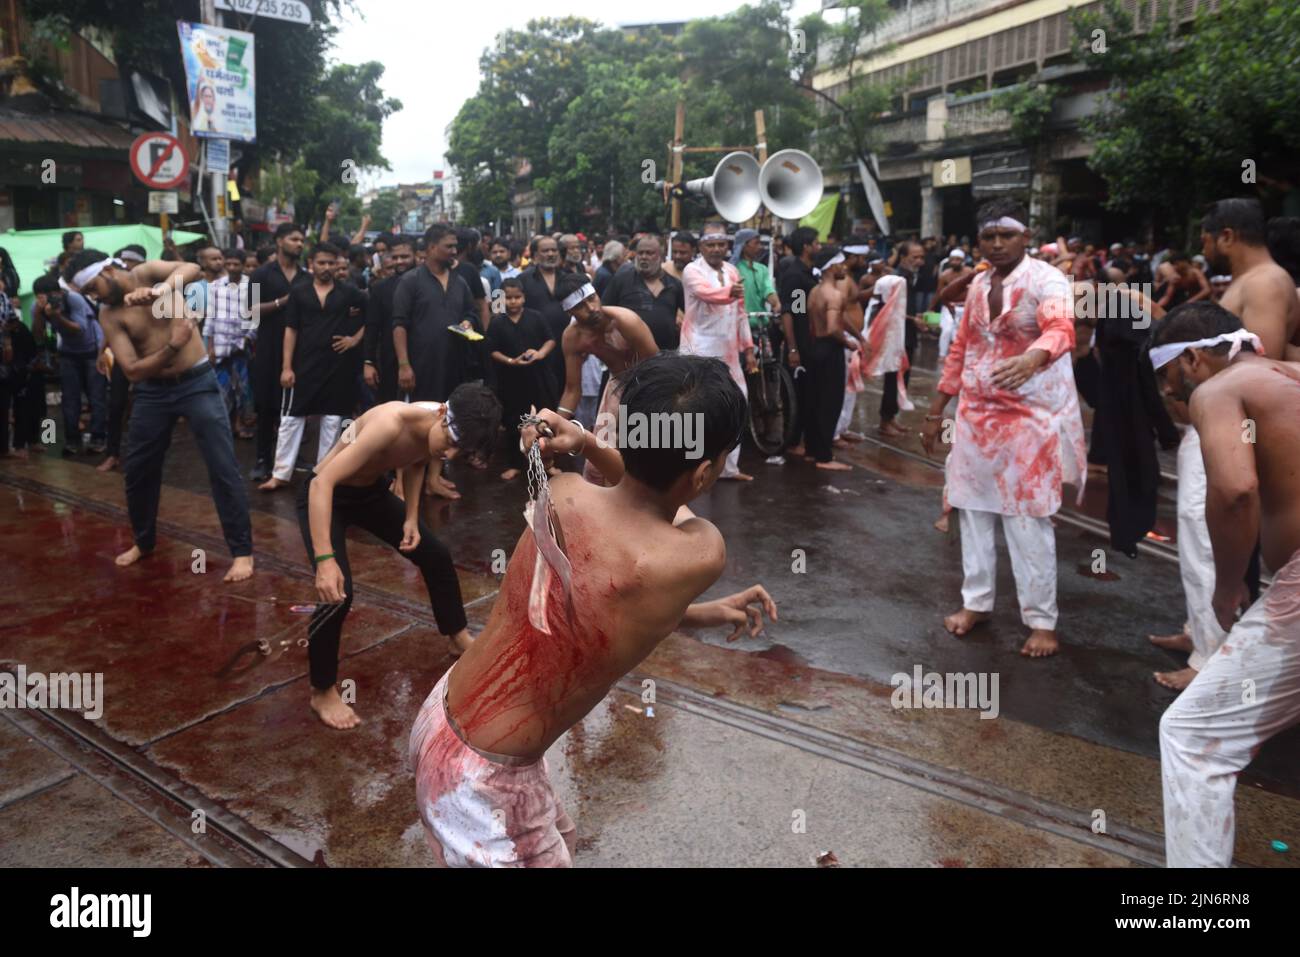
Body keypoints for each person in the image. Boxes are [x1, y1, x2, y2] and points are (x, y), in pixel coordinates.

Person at [410, 353, 777, 866]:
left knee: (565, 839)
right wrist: (596, 446)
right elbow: (653, 533)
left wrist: (586, 442)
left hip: (444, 716)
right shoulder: (700, 550)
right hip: (486, 781)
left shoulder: (562, 494)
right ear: (705, 471)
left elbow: (599, 600)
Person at [1151, 302, 1300, 867]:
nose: (1174, 399)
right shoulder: (1290, 375)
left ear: (1191, 359)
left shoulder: (1219, 391)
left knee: (1192, 738)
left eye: (1170, 384)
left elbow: (1236, 490)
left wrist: (1227, 584)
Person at [920, 199, 1085, 658]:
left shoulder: (1046, 280)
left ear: (1026, 236)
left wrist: (1034, 357)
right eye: (989, 237)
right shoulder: (977, 285)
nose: (997, 244)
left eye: (1006, 235)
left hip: (1031, 417)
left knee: (1026, 519)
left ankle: (1042, 622)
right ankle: (977, 603)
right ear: (979, 241)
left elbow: (1062, 328)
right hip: (976, 415)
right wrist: (937, 410)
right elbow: (962, 350)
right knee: (972, 509)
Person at [302, 386, 501, 729]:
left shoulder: (437, 429)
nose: (450, 454)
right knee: (338, 591)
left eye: (459, 450)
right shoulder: (389, 423)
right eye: (450, 442)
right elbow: (321, 483)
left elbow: (417, 462)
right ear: (442, 414)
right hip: (327, 493)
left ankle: (456, 635)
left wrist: (411, 517)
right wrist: (325, 560)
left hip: (369, 493)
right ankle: (322, 690)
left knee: (436, 555)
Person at [65, 250, 253, 582]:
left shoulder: (148, 273)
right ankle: (143, 542)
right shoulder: (110, 314)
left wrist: (161, 290)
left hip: (197, 382)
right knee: (138, 469)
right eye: (89, 293)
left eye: (95, 287)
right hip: (153, 391)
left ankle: (242, 553)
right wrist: (173, 345)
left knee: (222, 466)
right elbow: (134, 371)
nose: (95, 296)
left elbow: (192, 268)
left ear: (108, 270)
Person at [260, 243, 368, 492]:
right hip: (303, 365)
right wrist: (286, 367)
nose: (326, 267)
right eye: (321, 263)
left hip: (337, 366)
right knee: (291, 419)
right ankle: (280, 474)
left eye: (331, 263)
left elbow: (371, 317)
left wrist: (354, 340)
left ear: (337, 264)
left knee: (332, 421)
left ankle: (322, 473)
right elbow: (291, 330)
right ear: (312, 264)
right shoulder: (299, 292)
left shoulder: (349, 292)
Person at [553, 272, 658, 485]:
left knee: (647, 460)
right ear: (570, 311)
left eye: (592, 299)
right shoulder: (573, 337)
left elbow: (657, 367)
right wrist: (555, 425)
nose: (592, 308)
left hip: (651, 387)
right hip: (617, 388)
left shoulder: (625, 320)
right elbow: (572, 390)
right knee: (600, 461)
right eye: (581, 306)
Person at [680, 228, 756, 480]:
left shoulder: (733, 272)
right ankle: (693, 466)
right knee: (698, 407)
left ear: (727, 247)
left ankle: (729, 468)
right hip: (698, 348)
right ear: (701, 247)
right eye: (710, 245)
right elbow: (705, 294)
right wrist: (728, 293)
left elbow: (741, 313)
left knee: (738, 402)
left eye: (721, 244)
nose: (716, 249)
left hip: (729, 350)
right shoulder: (693, 270)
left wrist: (749, 349)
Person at [1202, 198, 1300, 362]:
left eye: (1204, 242)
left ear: (1227, 237)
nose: (1203, 251)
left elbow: (1261, 364)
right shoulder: (1252, 280)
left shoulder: (1263, 283)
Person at [248, 223, 310, 483]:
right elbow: (249, 310)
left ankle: (294, 457)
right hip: (268, 347)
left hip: (299, 350)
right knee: (266, 406)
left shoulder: (307, 277)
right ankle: (263, 459)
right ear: (279, 241)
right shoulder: (261, 274)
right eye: (294, 239)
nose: (299, 244)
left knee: (297, 406)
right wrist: (281, 303)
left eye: (301, 240)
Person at [392, 224, 478, 405]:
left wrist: (467, 322)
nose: (454, 251)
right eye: (449, 246)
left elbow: (470, 312)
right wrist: (404, 365)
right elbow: (399, 325)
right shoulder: (410, 281)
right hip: (421, 366)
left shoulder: (460, 282)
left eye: (455, 246)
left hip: (455, 366)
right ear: (431, 247)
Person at [486, 277, 558, 480]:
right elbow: (491, 350)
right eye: (508, 298)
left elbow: (551, 340)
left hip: (539, 377)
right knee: (513, 423)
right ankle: (516, 464)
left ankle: (548, 462)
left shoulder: (536, 317)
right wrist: (511, 361)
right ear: (502, 299)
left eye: (517, 297)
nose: (513, 302)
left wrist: (540, 354)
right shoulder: (497, 322)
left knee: (545, 421)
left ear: (524, 297)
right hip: (511, 380)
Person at [803, 247, 856, 471]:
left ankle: (812, 450)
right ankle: (824, 457)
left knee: (815, 401)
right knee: (830, 403)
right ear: (832, 267)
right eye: (841, 263)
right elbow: (834, 327)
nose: (844, 267)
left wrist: (859, 336)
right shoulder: (834, 294)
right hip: (830, 350)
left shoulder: (814, 291)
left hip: (815, 348)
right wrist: (848, 342)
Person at [47, 267, 106, 456]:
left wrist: (56, 316)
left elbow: (78, 329)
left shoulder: (74, 299)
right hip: (68, 354)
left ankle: (98, 437)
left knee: (96, 396)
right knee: (70, 399)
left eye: (52, 295)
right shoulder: (41, 306)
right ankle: (72, 439)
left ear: (59, 292)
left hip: (91, 352)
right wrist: (43, 315)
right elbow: (39, 334)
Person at [778, 226, 821, 459]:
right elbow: (790, 313)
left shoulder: (809, 273)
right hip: (800, 344)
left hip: (811, 342)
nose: (819, 247)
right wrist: (793, 347)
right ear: (806, 247)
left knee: (809, 394)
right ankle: (792, 441)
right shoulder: (795, 276)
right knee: (796, 395)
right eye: (816, 243)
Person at [602, 235, 684, 352]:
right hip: (629, 355)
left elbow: (691, 316)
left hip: (665, 357)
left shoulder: (674, 285)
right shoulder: (622, 279)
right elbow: (604, 310)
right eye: (640, 253)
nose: (644, 257)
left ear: (662, 256)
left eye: (650, 253)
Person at [207, 247, 255, 441]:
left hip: (242, 347)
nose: (232, 267)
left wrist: (245, 340)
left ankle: (241, 424)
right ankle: (227, 426)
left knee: (243, 390)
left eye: (236, 264)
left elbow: (255, 319)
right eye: (229, 264)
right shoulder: (215, 286)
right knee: (223, 389)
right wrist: (209, 346)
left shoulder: (252, 286)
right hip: (219, 346)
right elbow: (210, 318)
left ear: (243, 266)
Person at [363, 234, 415, 405]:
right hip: (390, 360)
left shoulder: (429, 284)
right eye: (395, 257)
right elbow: (372, 328)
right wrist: (368, 362)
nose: (400, 261)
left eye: (405, 257)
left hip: (426, 359)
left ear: (415, 255)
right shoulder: (380, 288)